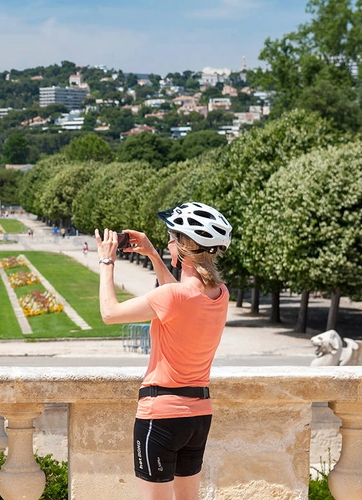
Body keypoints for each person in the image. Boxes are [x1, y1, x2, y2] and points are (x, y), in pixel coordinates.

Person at [93, 202, 232, 500]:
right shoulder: (220, 295)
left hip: (161, 415)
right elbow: (179, 300)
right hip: (198, 416)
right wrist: (155, 254)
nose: (168, 242)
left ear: (184, 244)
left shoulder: (173, 296)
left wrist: (107, 262)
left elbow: (109, 312)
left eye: (171, 238)